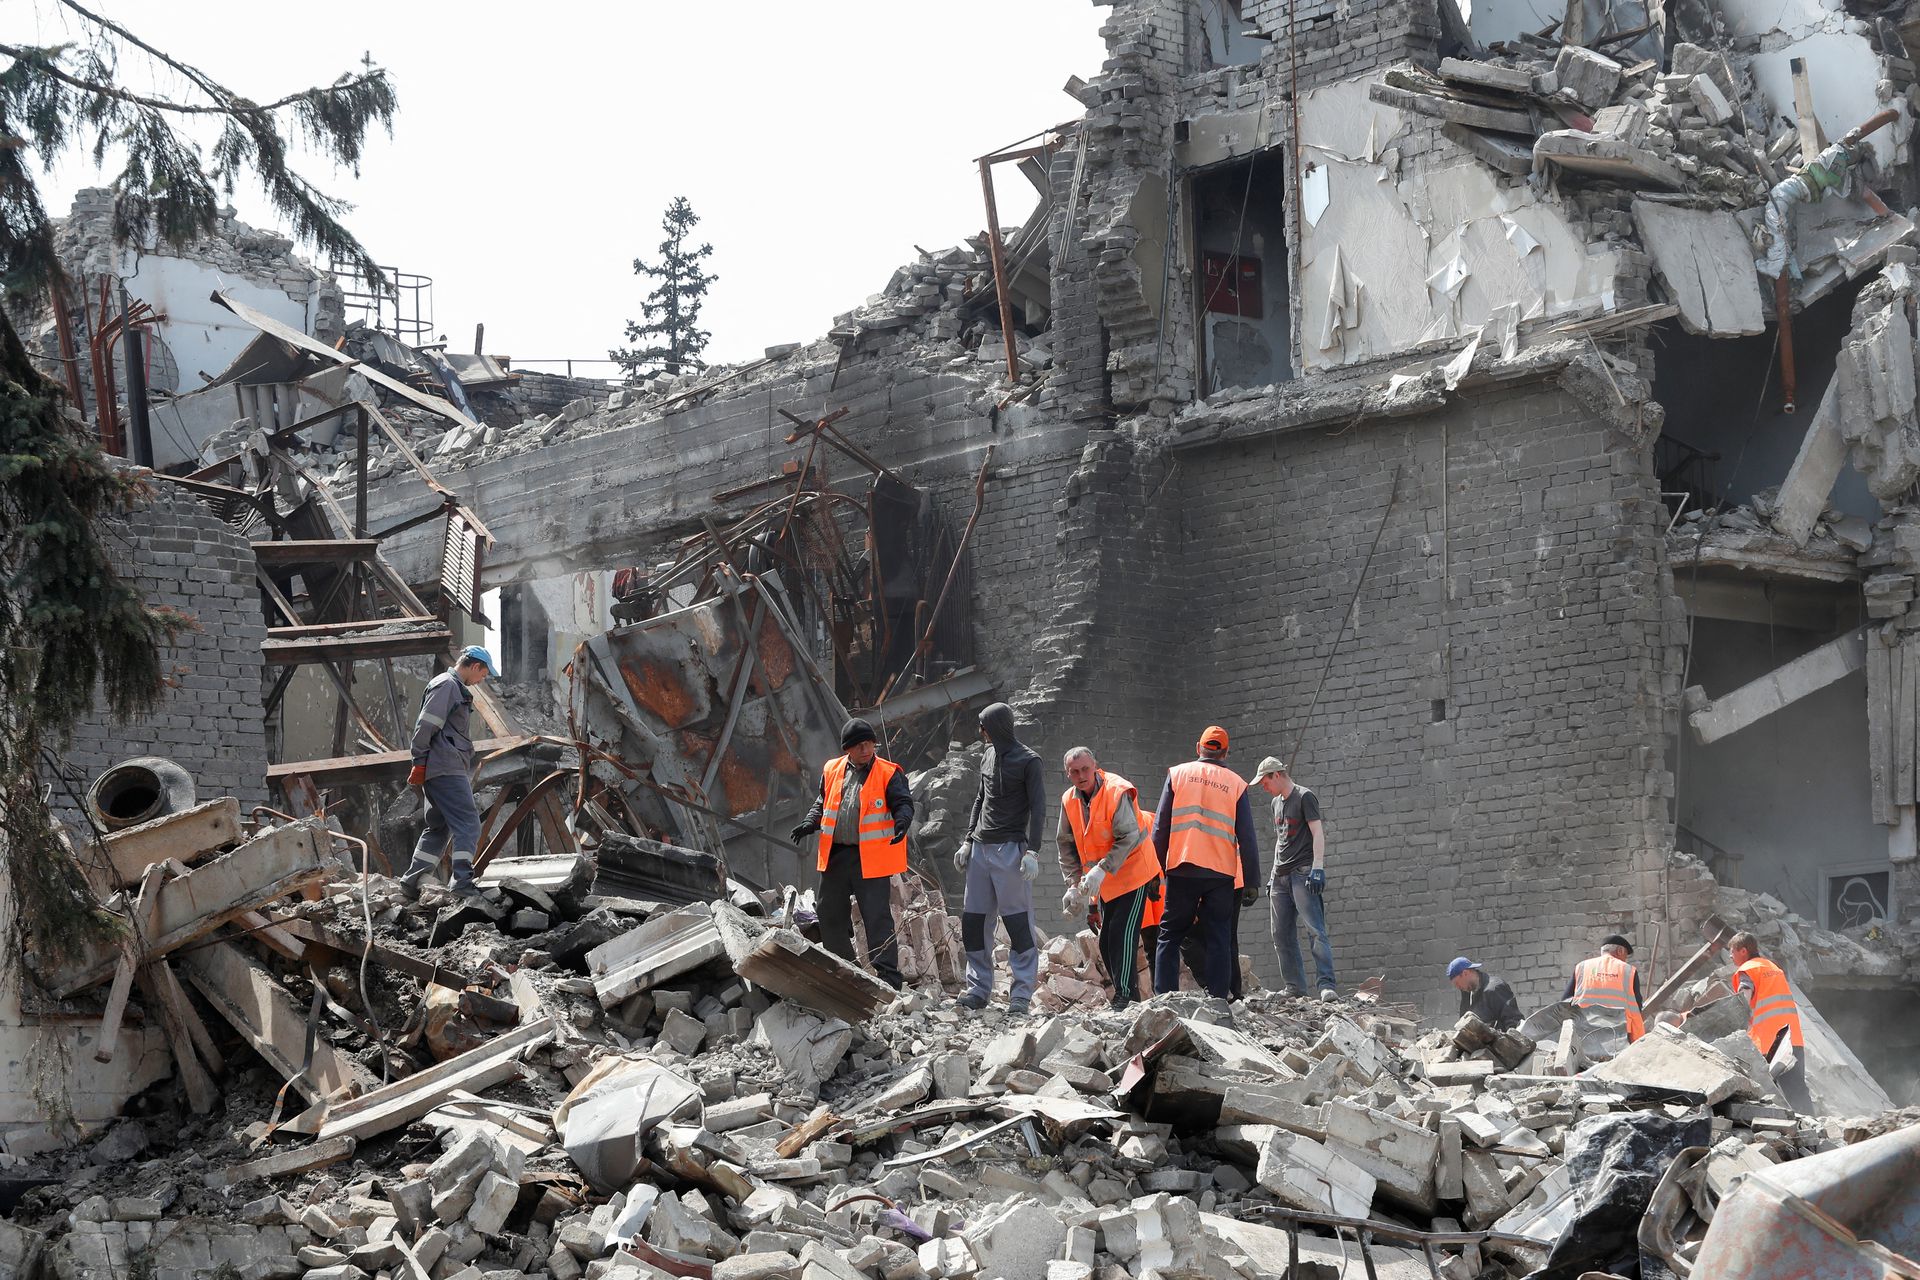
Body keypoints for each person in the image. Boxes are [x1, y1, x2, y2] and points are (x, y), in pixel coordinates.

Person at [791, 718, 913, 989]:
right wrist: (810, 823)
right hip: (837, 856)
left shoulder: (889, 773)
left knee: (876, 917)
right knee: (829, 913)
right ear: (847, 748)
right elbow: (823, 802)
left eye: (869, 744)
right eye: (859, 745)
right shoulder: (832, 769)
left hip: (870, 858)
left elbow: (903, 803)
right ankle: (844, 968)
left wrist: (903, 821)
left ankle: (889, 978)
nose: (866, 749)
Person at [1152, 726, 1261, 1000]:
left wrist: (1154, 872)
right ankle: (1218, 999)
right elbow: (1247, 836)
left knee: (1170, 933)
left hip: (1183, 867)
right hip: (1220, 873)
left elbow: (1160, 827)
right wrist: (1252, 881)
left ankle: (1165, 997)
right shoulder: (1236, 783)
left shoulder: (1177, 774)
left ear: (1197, 747)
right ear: (1225, 752)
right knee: (1219, 938)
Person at [956, 703, 1046, 1015]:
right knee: (974, 922)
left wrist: (1033, 851)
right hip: (980, 849)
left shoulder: (1028, 760)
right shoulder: (988, 754)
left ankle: (1020, 995)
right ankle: (978, 989)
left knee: (1018, 923)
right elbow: (980, 799)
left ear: (994, 727)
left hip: (1011, 851)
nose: (980, 731)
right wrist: (968, 840)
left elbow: (1038, 808)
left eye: (983, 726)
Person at [1056, 747, 1161, 1011]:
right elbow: (1067, 844)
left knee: (1123, 934)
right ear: (1067, 774)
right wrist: (1073, 885)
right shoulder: (1070, 800)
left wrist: (1101, 869)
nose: (1081, 776)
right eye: (1074, 772)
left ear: (1095, 767)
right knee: (1106, 939)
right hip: (1107, 877)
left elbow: (1128, 836)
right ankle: (1125, 997)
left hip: (1135, 868)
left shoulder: (1116, 791)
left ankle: (1125, 997)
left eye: (1085, 769)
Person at [397, 646, 498, 901]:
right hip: (445, 768)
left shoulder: (452, 687)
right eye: (483, 674)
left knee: (438, 827)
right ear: (474, 666)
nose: (481, 680)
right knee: (468, 824)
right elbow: (425, 725)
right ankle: (462, 882)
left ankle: (410, 882)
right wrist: (418, 762)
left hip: (442, 767)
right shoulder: (447, 686)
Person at [1257, 757, 1334, 999]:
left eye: (1265, 781)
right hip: (1280, 878)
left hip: (1302, 873)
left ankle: (1326, 986)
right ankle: (1295, 988)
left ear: (1276, 775)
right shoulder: (1275, 804)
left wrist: (1318, 867)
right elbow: (1280, 842)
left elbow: (1317, 832)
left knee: (1315, 930)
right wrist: (1272, 876)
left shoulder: (1304, 797)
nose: (1263, 787)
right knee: (1281, 934)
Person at [1727, 932, 1813, 1113]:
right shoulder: (1773, 968)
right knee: (1796, 1090)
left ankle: (1771, 1130)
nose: (1730, 955)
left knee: (1764, 1092)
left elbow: (1744, 996)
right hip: (1792, 1039)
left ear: (1743, 951)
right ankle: (1812, 1131)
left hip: (1768, 1042)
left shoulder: (1749, 969)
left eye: (1732, 951)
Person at [1566, 933, 1645, 1043]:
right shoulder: (1628, 971)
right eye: (1625, 956)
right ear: (1620, 951)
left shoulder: (1582, 967)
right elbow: (1636, 1008)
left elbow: (1566, 1001)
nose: (1625, 960)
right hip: (1618, 1035)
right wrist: (1637, 1041)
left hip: (1584, 1031)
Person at [1448, 957, 1522, 1030]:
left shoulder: (1494, 989)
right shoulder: (1467, 994)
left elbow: (1514, 1022)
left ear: (1465, 973)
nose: (1457, 987)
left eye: (1457, 983)